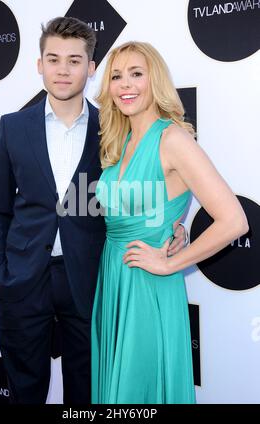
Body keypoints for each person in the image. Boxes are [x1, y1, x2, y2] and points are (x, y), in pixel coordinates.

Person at [0, 18, 186, 404]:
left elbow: (146, 188)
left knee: (88, 393)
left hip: (91, 283)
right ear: (39, 64)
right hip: (23, 281)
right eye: (54, 59)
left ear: (91, 69)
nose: (63, 69)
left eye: (74, 60)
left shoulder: (115, 129)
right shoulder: (11, 127)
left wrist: (174, 226)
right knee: (23, 392)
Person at [91, 41, 249, 404]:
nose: (125, 85)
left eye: (136, 74)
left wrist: (171, 263)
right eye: (116, 76)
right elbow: (148, 204)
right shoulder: (121, 141)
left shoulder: (173, 138)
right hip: (113, 279)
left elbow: (234, 220)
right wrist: (172, 226)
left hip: (147, 288)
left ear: (155, 80)